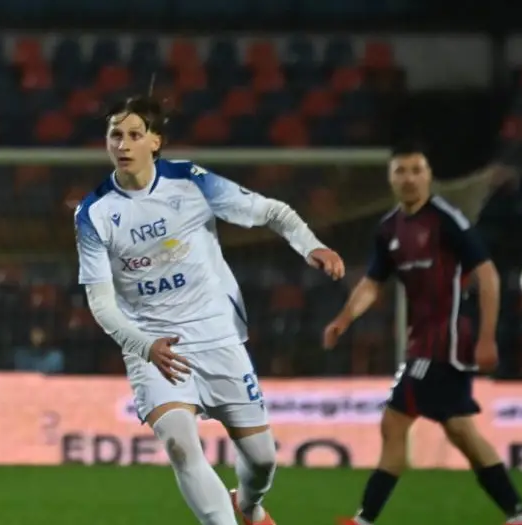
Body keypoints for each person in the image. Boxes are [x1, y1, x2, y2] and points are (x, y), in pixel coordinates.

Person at [74, 96, 345, 525]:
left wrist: (311, 245)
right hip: (156, 345)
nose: (123, 144)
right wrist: (144, 345)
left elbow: (272, 212)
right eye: (115, 135)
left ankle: (251, 507)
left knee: (261, 460)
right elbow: (100, 302)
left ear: (155, 141)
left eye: (134, 135)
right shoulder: (93, 213)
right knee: (181, 446)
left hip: (217, 335)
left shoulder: (191, 182)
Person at [324, 146, 522, 525]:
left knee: (395, 422)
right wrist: (344, 318)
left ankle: (364, 520)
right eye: (400, 171)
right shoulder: (389, 228)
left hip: (448, 341)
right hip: (423, 341)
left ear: (428, 176)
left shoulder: (446, 219)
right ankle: (520, 516)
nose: (408, 177)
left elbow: (486, 274)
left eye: (416, 170)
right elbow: (373, 282)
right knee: (461, 432)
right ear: (391, 179)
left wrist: (487, 336)